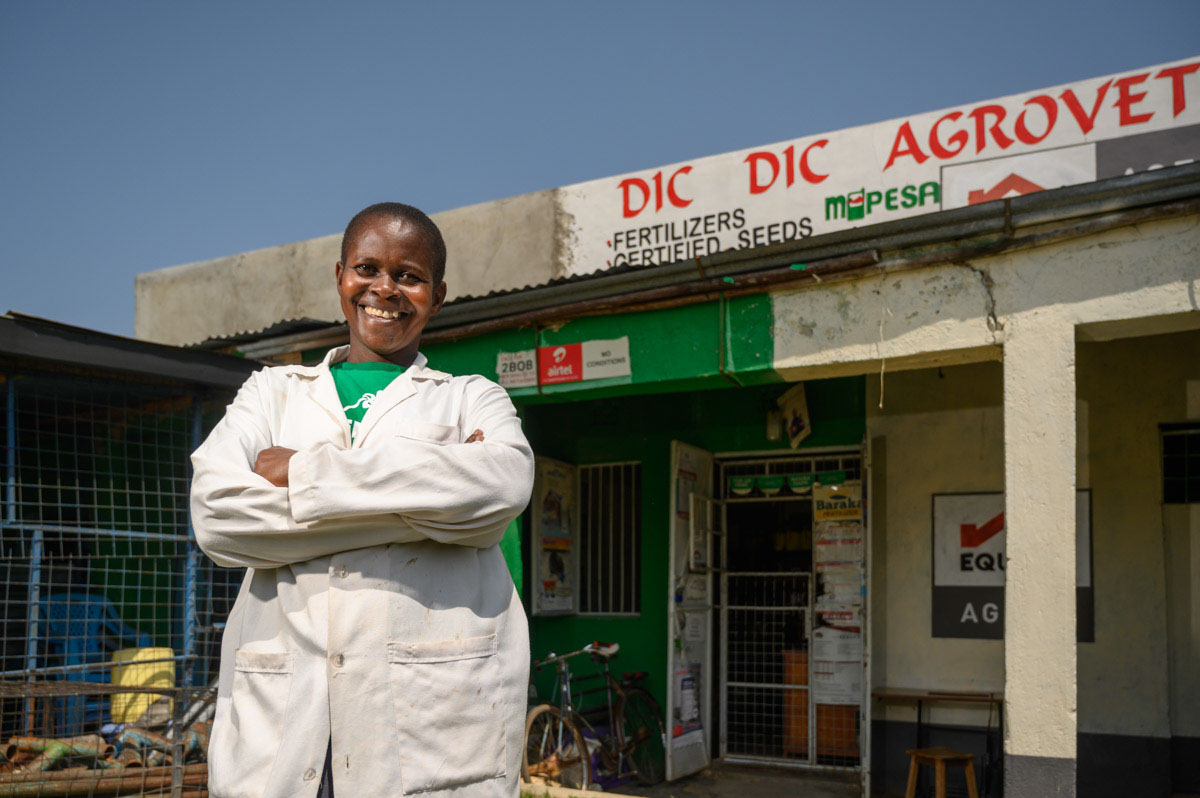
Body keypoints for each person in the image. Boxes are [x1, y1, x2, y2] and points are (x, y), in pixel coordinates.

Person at [190, 202, 533, 798]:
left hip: (420, 725)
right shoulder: (272, 392)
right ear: (340, 275)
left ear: (439, 293)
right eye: (367, 268)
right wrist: (429, 514)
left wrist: (304, 472)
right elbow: (217, 517)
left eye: (409, 275)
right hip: (283, 720)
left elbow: (504, 483)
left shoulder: (473, 399)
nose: (385, 289)